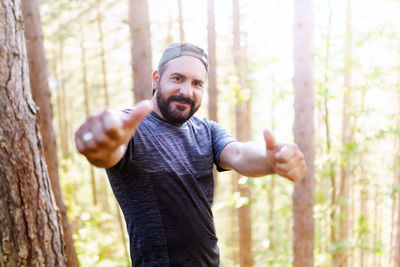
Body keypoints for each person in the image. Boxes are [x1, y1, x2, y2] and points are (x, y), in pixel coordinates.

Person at [74, 42, 307, 266]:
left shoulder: (207, 130)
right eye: (177, 78)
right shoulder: (131, 128)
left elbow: (238, 154)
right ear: (157, 79)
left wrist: (270, 161)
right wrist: (102, 144)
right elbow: (110, 151)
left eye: (197, 83)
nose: (186, 91)